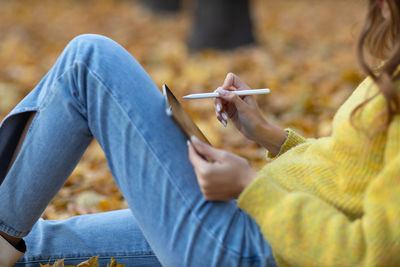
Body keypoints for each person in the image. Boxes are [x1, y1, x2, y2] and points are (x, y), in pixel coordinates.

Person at [1, 0, 400, 266]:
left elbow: (366, 252)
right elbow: (351, 173)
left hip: (252, 250)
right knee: (32, 248)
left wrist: (250, 188)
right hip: (248, 226)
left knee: (89, 62)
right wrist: (267, 134)